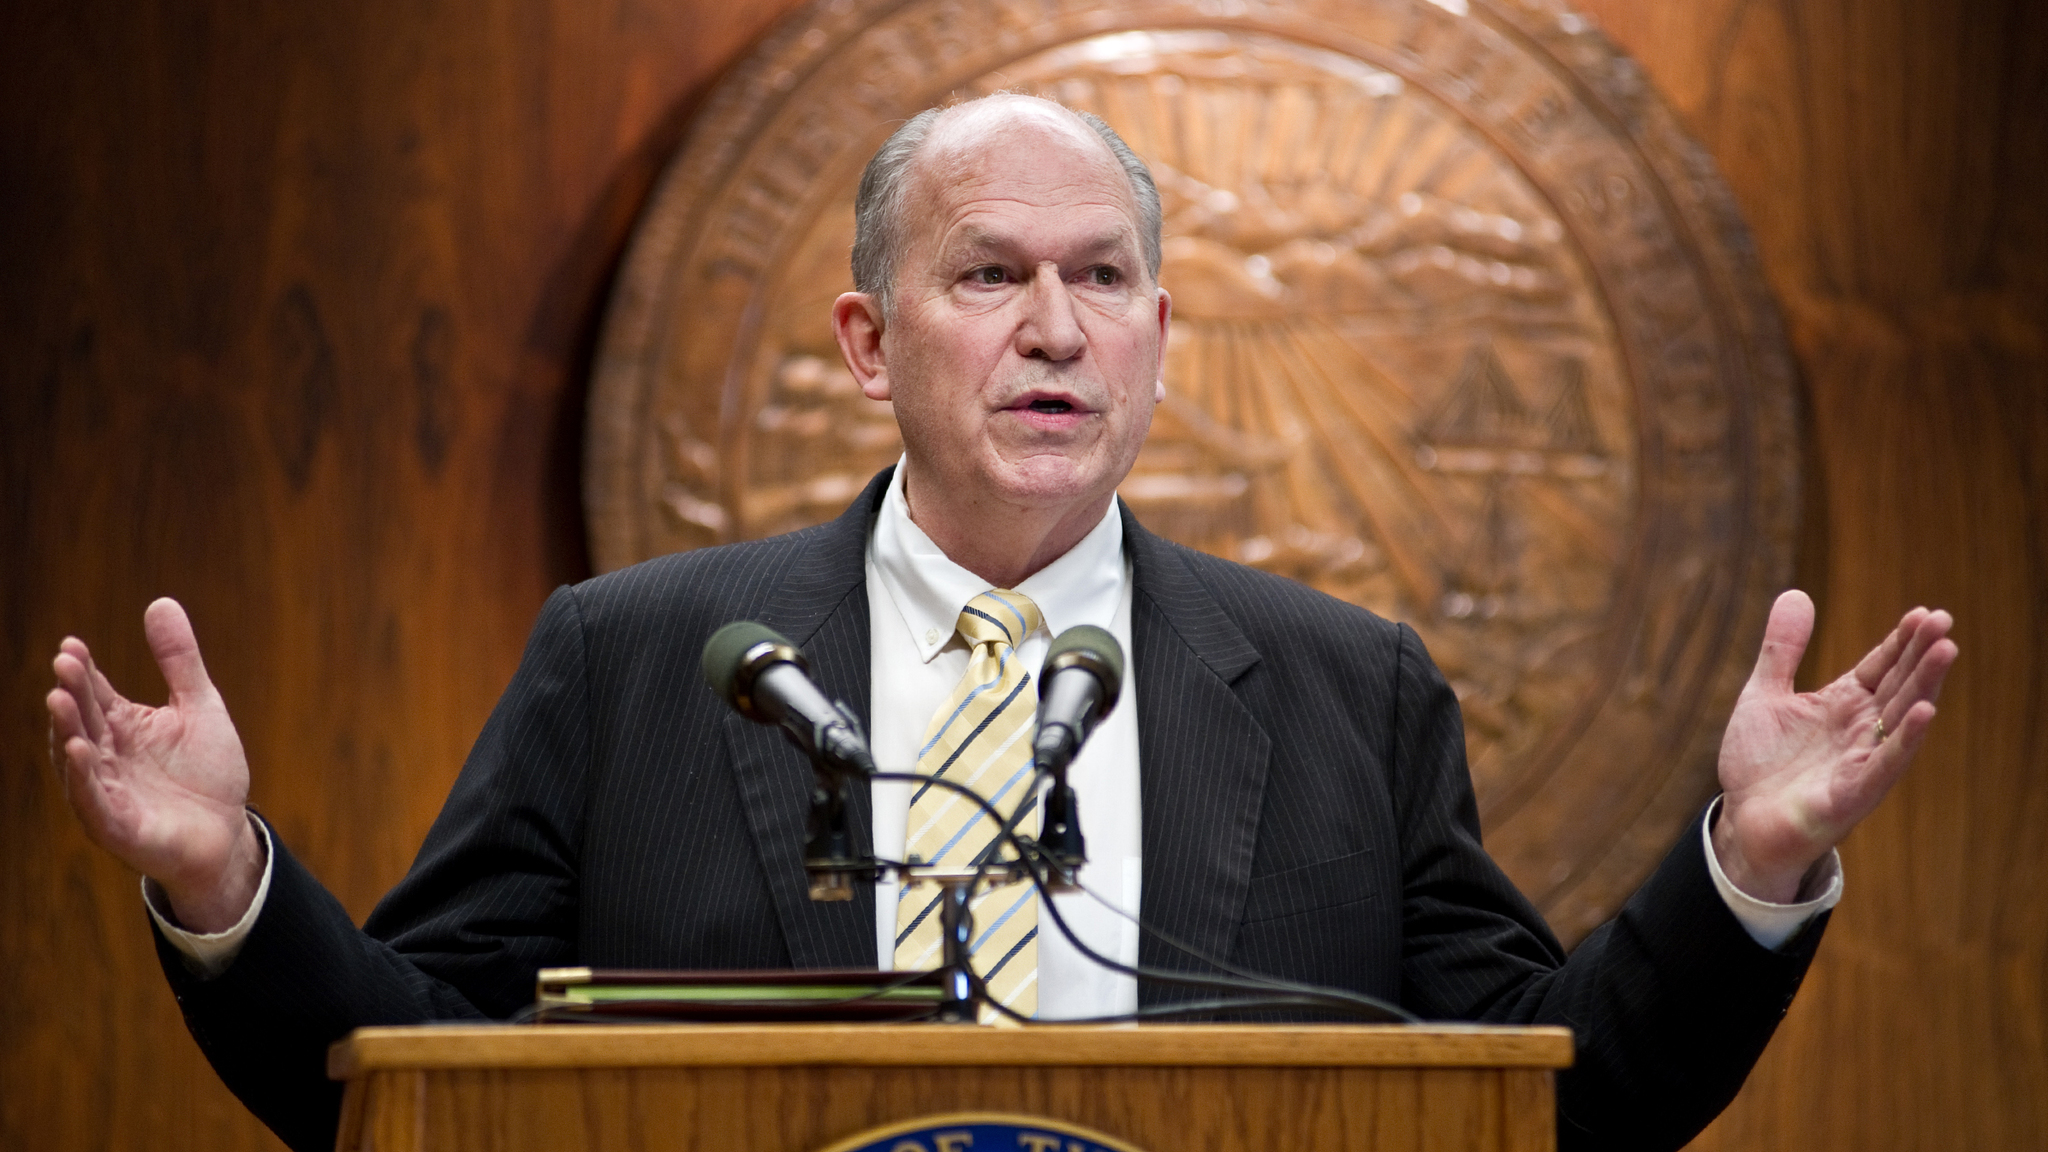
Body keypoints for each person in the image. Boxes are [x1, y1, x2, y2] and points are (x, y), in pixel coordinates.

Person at [47, 95, 1957, 1152]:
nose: (1057, 325)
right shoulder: (632, 656)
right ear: (871, 344)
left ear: (1155, 340)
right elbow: (406, 1083)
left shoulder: (1341, 686)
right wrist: (227, 880)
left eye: (1105, 278)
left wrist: (1752, 870)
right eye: (991, 275)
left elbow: (1562, 1104)